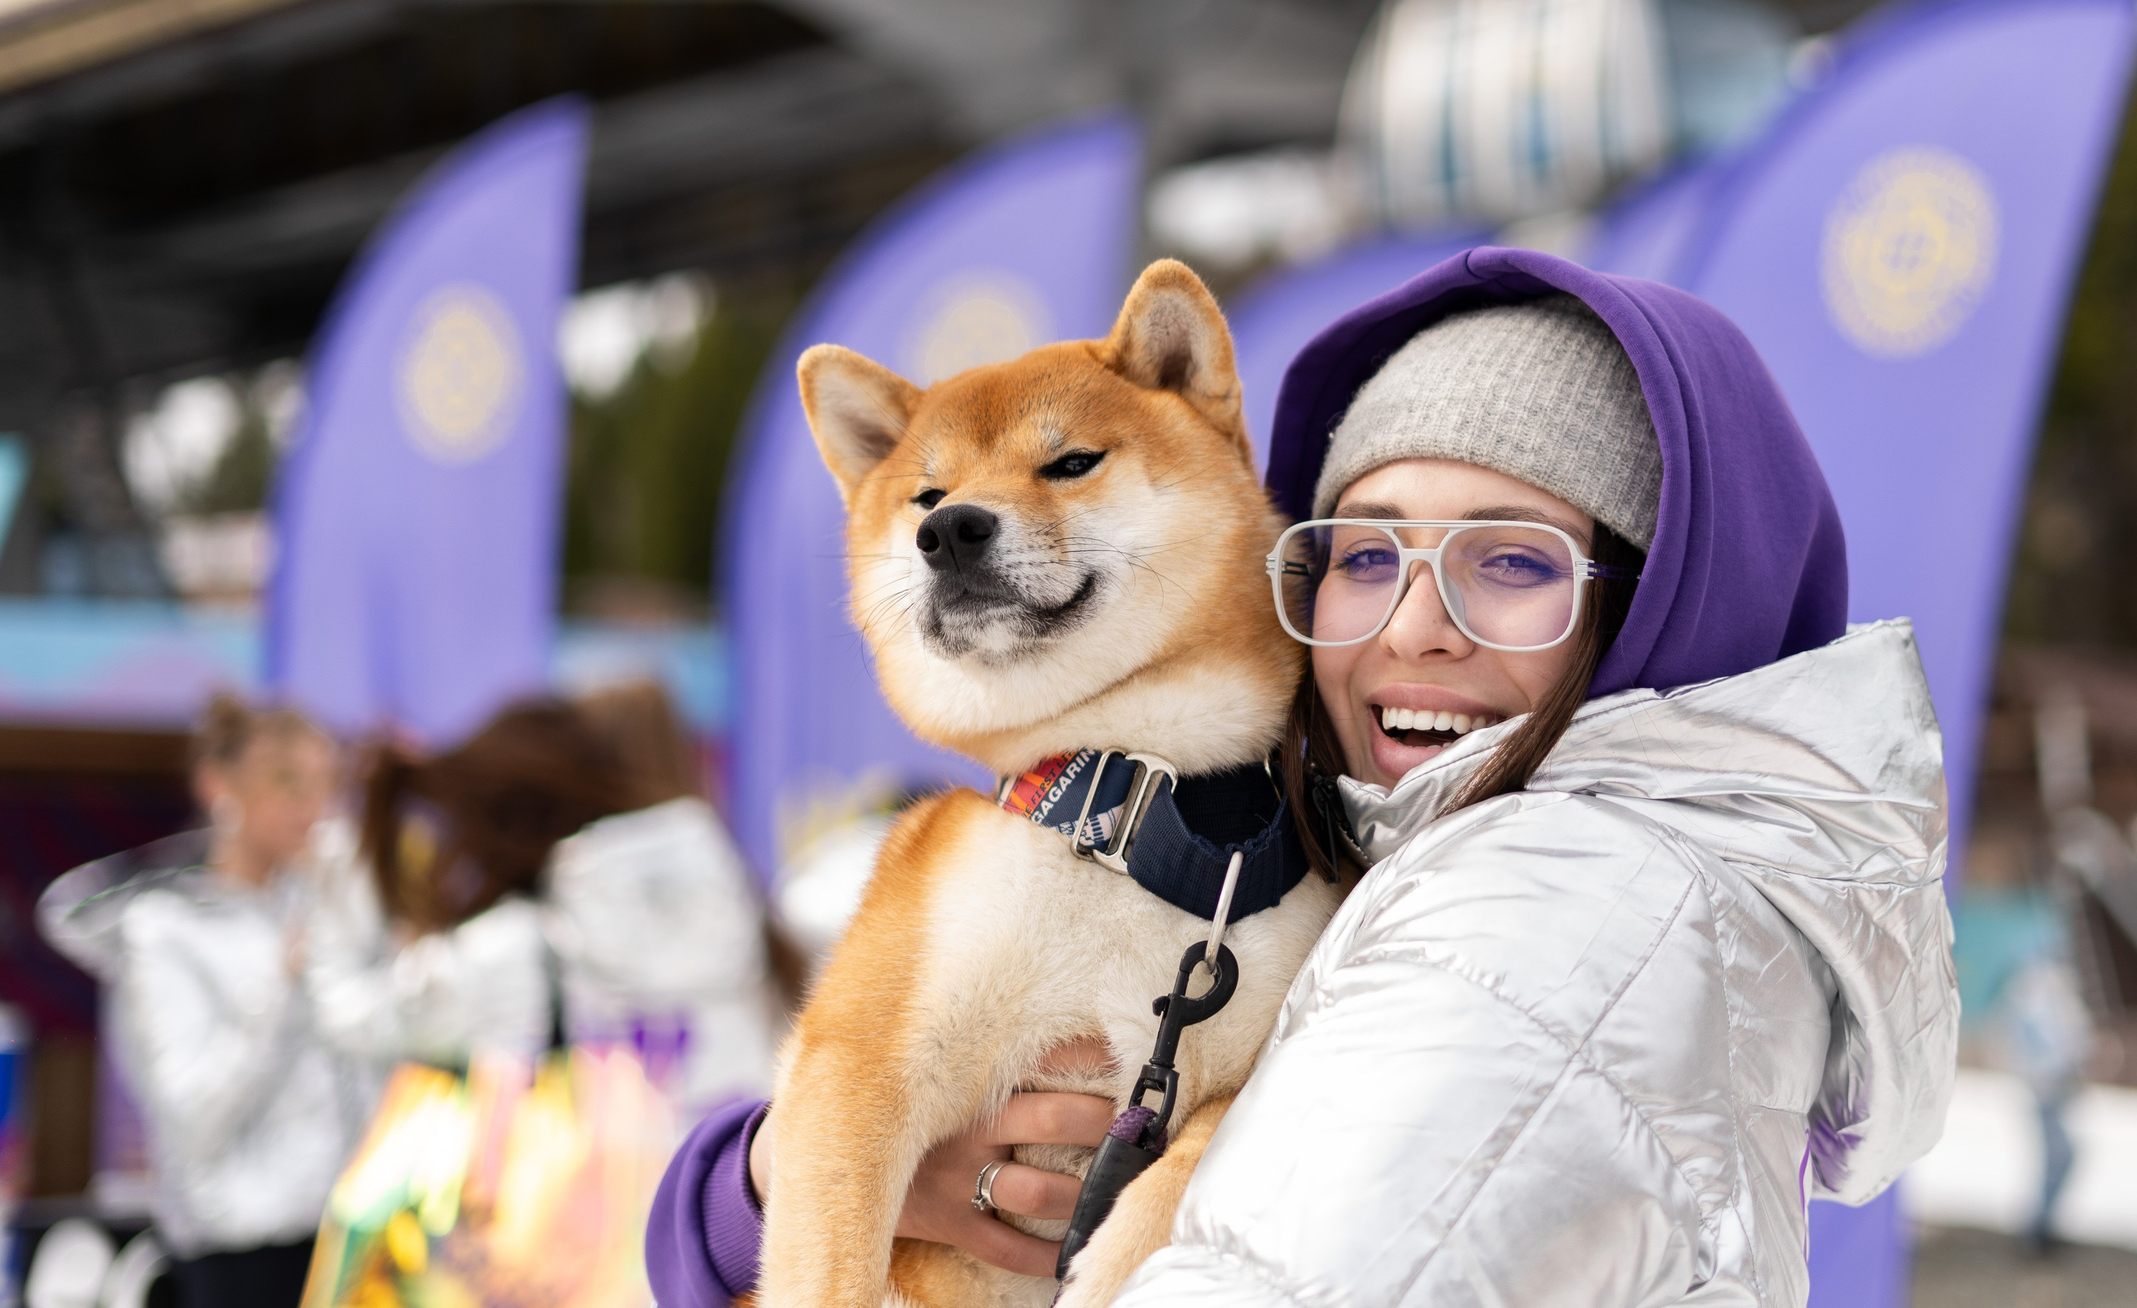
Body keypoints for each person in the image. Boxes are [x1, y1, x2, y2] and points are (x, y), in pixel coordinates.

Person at [646, 249, 1959, 1308]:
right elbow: (838, 1098)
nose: (1417, 626)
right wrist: (755, 1183)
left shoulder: (1565, 907)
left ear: (1653, 598)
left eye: (1513, 561)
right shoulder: (1351, 848)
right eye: (1368, 556)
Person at [306, 695, 786, 1119]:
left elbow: (353, 1016)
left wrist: (332, 884)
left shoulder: (508, 945)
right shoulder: (706, 863)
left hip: (597, 1189)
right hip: (734, 1175)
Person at [39, 695, 371, 1308]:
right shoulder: (166, 929)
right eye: (289, 784)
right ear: (220, 786)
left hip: (352, 1238)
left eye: (330, 786)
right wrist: (278, 989)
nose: (314, 808)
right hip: (240, 1251)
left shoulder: (329, 905)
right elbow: (193, 1115)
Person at [1995, 950, 2090, 1255]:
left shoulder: (2051, 986)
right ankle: (2038, 1229)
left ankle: (2043, 1226)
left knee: (2059, 1157)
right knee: (2058, 1157)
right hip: (2046, 1085)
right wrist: (2051, 1072)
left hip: (2052, 1084)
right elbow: (2036, 1039)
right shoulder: (2033, 987)